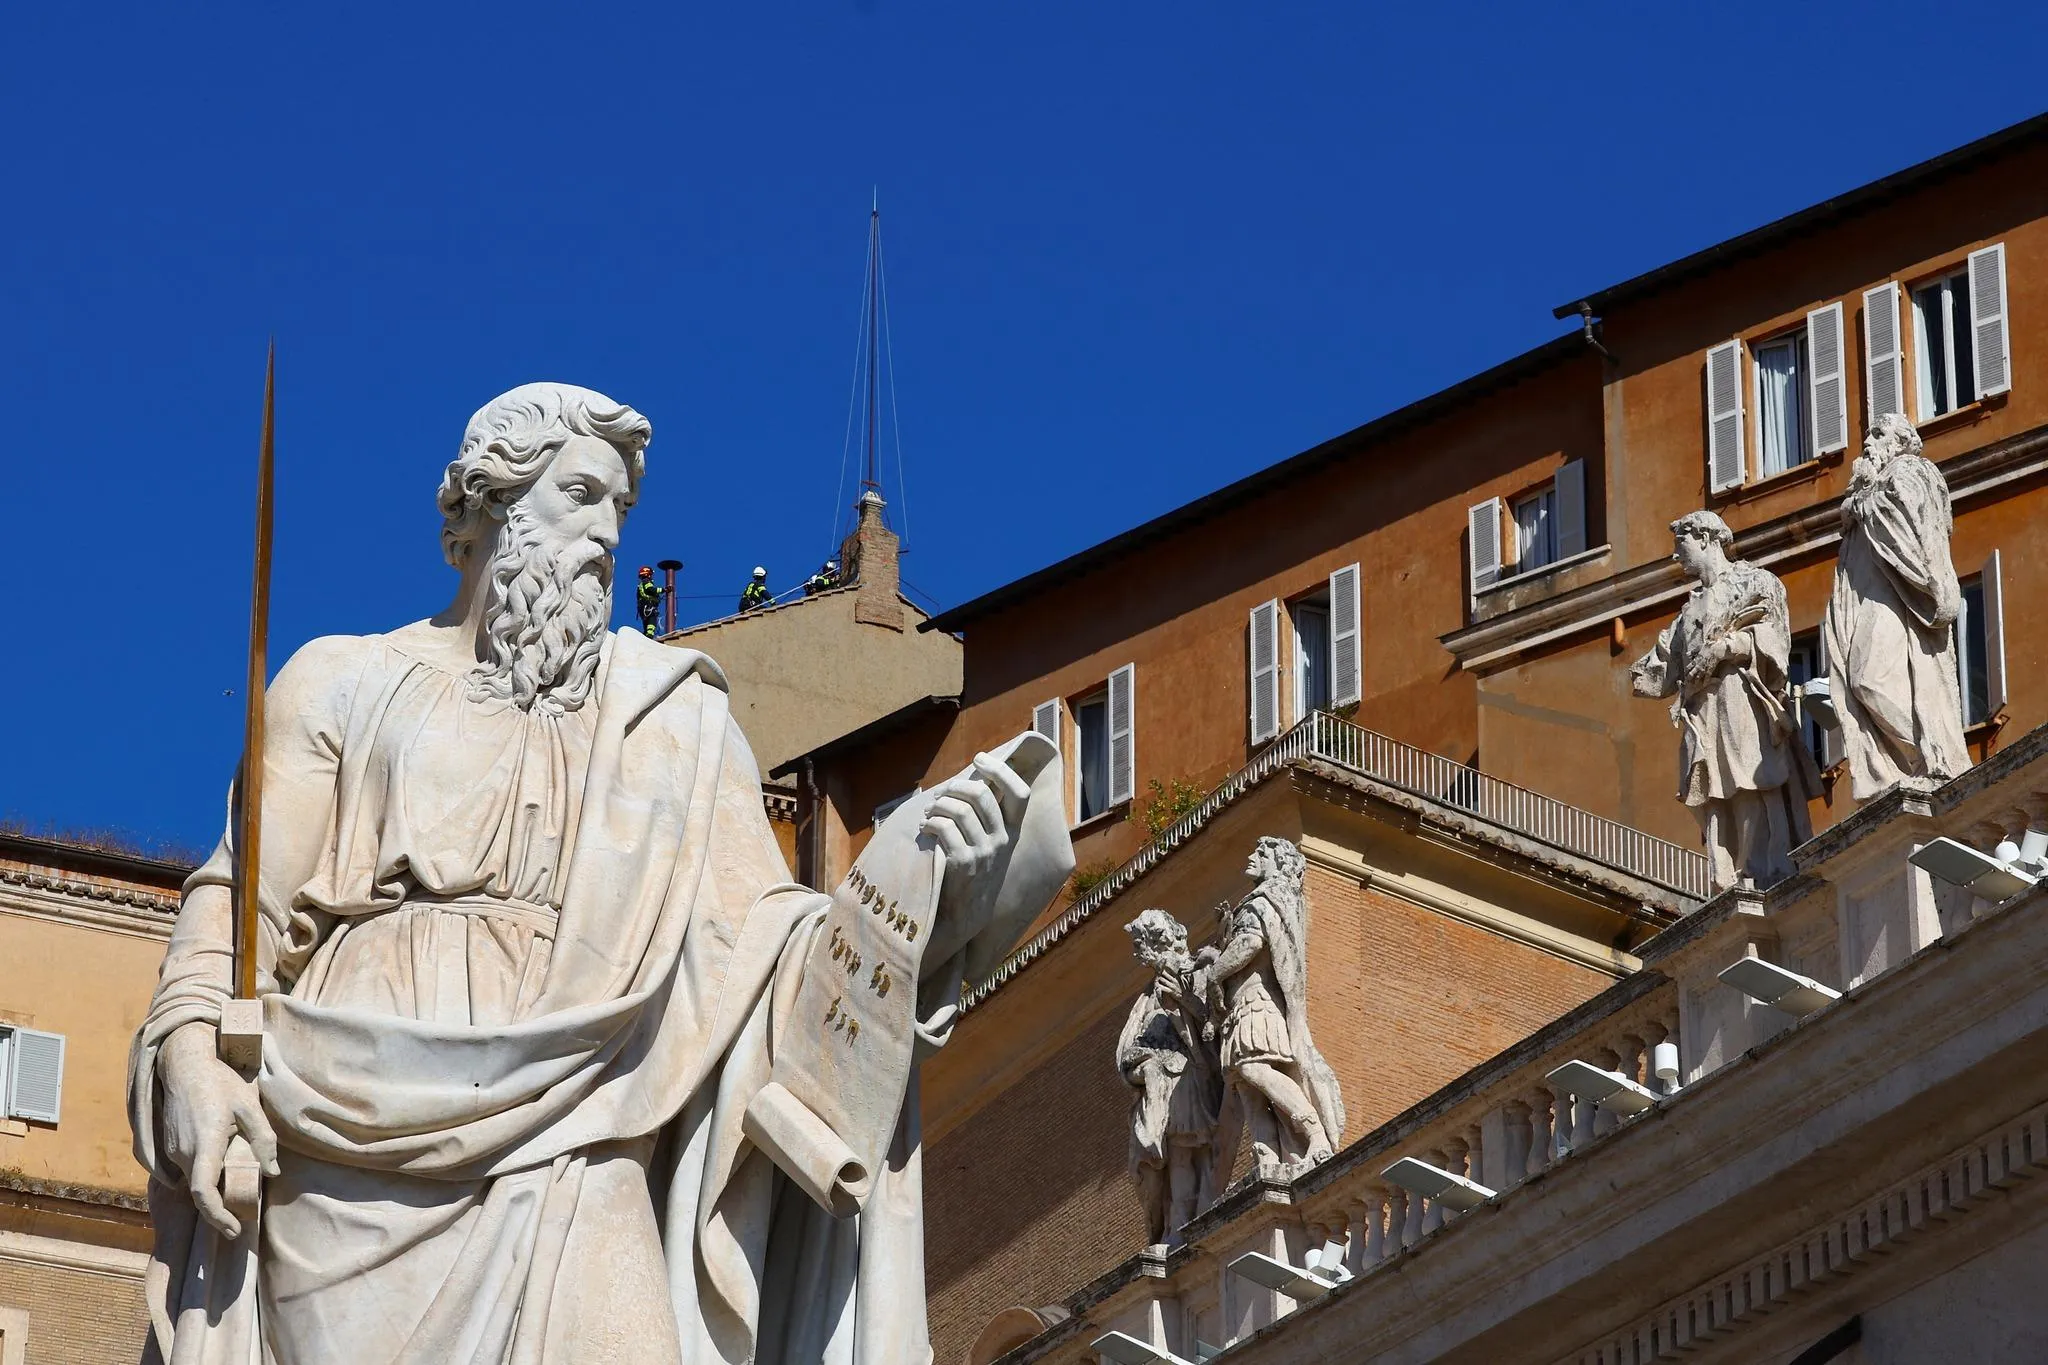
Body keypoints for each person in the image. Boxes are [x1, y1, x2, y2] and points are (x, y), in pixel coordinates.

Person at [126, 383, 1073, 1365]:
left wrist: (907, 887)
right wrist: (191, 1050)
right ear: (492, 498)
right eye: (580, 494)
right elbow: (238, 904)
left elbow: (760, 955)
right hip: (349, 1136)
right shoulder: (343, 683)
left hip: (587, 1128)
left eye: (618, 509)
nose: (605, 535)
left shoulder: (672, 721)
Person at [1631, 510, 1821, 890]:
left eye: (1680, 544)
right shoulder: (1688, 614)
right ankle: (1728, 873)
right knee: (1715, 792)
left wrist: (1726, 648)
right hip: (1702, 713)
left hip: (1739, 696)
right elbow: (1657, 672)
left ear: (1705, 538)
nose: (1675, 556)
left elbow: (1776, 642)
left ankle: (1764, 868)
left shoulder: (1754, 582)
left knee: (1750, 779)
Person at [1823, 413, 1971, 798]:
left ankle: (1931, 755)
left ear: (1900, 441)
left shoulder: (1909, 470)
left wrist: (1862, 505)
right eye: (1867, 434)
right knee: (1859, 683)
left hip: (1894, 598)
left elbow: (1907, 523)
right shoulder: (1867, 491)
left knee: (1866, 679)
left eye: (1878, 434)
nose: (1868, 442)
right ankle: (1913, 762)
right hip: (1869, 598)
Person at [1197, 837, 1344, 1173]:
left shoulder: (1264, 900)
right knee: (1246, 1087)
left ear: (1277, 861)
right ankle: (1268, 1159)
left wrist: (1214, 975)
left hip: (1258, 1004)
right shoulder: (1273, 901)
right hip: (1241, 1006)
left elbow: (1250, 942)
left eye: (1260, 853)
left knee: (1252, 1070)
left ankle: (1314, 1133)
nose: (1251, 855)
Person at [1117, 908, 1221, 1247]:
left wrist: (1182, 998)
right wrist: (1144, 1063)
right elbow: (1128, 1048)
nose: (1154, 954)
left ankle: (1195, 1220)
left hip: (1191, 1075)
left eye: (1156, 944)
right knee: (1176, 1157)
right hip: (1164, 1083)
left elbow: (1211, 1021)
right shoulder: (1147, 996)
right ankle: (1177, 1228)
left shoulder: (1197, 973)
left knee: (1192, 1153)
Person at [634, 564, 667, 637]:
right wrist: (663, 590)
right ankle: (649, 635)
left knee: (646, 622)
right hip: (648, 606)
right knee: (652, 620)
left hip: (643, 608)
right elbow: (651, 590)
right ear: (648, 575)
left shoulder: (641, 585)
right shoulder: (646, 582)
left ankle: (646, 635)